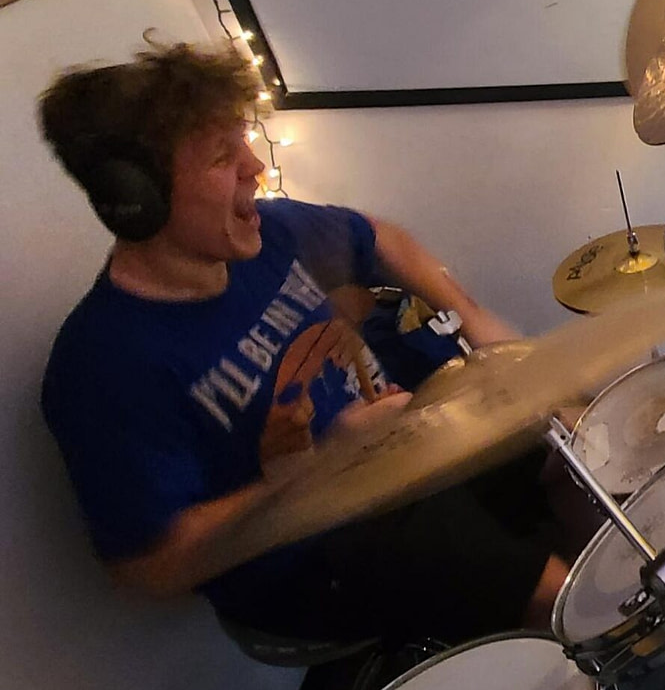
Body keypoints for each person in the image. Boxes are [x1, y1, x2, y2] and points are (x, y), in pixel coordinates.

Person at [37, 42, 573, 646]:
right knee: (553, 591)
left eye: (243, 141)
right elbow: (151, 568)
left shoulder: (268, 233)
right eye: (222, 157)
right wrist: (319, 468)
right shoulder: (104, 366)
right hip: (312, 554)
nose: (253, 167)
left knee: (566, 439)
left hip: (399, 455)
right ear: (138, 201)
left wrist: (471, 317)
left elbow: (377, 237)